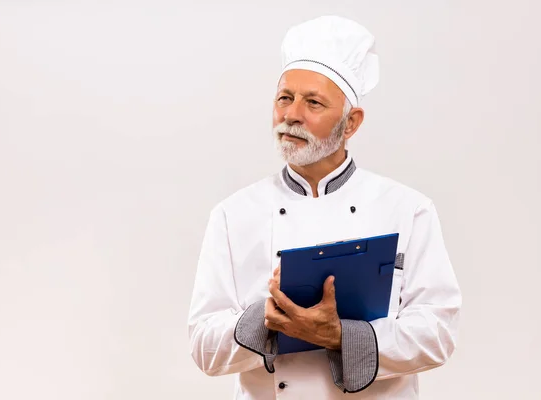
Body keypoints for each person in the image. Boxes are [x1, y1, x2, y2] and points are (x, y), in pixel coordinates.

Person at [187, 15, 462, 399]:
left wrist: (343, 337)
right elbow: (204, 346)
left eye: (313, 102)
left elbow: (438, 333)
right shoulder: (233, 215)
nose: (291, 114)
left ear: (351, 124)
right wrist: (267, 322)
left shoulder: (408, 209)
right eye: (285, 97)